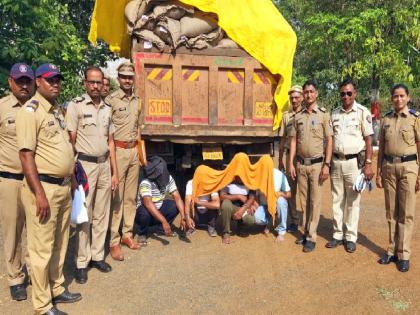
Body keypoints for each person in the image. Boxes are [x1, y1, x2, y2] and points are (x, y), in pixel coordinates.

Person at [16, 63, 81, 315]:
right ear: (37, 82)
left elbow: (64, 149)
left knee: (59, 244)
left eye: (58, 80)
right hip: (43, 189)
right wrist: (39, 194)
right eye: (50, 79)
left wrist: (72, 179)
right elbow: (25, 156)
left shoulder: (55, 112)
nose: (56, 84)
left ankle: (57, 288)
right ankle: (42, 305)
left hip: (62, 188)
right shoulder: (30, 112)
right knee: (41, 248)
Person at [66, 66, 118, 284]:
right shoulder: (76, 106)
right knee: (84, 215)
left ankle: (97, 256)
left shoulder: (107, 108)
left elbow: (111, 142)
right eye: (92, 82)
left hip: (105, 165)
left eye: (99, 82)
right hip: (85, 167)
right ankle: (81, 262)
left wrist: (115, 172)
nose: (96, 86)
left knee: (102, 213)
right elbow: (70, 141)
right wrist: (72, 173)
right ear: (85, 82)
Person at [326, 79, 374, 253]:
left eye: (348, 93)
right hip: (337, 162)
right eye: (342, 93)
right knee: (336, 200)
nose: (345, 96)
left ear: (355, 94)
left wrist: (368, 164)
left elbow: (369, 140)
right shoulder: (334, 114)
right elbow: (330, 140)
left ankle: (350, 237)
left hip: (354, 163)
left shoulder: (362, 112)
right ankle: (338, 234)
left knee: (353, 202)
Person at [376, 84, 420, 272]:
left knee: (406, 212)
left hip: (409, 167)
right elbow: (382, 147)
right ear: (392, 98)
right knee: (391, 211)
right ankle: (392, 250)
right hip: (388, 167)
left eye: (402, 96)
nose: (398, 99)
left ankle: (404, 253)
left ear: (408, 98)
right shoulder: (386, 119)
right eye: (395, 96)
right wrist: (378, 171)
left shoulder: (415, 119)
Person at [0, 63, 35, 301]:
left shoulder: (39, 106)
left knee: (36, 230)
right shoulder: (2, 107)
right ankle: (15, 278)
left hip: (36, 182)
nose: (24, 85)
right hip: (10, 179)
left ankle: (36, 273)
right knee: (12, 232)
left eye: (27, 81)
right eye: (19, 80)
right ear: (10, 82)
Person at [289, 79, 333, 252]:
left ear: (316, 94)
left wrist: (326, 164)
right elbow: (293, 140)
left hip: (316, 165)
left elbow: (330, 140)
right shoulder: (297, 117)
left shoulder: (323, 115)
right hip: (300, 164)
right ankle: (307, 231)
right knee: (304, 200)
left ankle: (311, 237)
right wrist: (291, 163)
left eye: (311, 92)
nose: (308, 95)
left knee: (314, 201)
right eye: (306, 92)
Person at [106, 62, 142, 261]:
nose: (127, 80)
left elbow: (137, 126)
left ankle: (128, 234)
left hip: (133, 151)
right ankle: (114, 240)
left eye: (130, 77)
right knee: (117, 199)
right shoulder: (111, 101)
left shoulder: (137, 100)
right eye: (123, 77)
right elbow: (106, 132)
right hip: (118, 151)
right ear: (118, 78)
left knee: (130, 197)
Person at [134, 156, 189, 242]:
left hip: (158, 208)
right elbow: (148, 204)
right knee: (144, 213)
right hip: (146, 211)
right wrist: (164, 221)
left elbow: (177, 197)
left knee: (174, 206)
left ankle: (161, 229)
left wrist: (183, 216)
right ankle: (142, 233)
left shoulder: (168, 178)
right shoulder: (145, 182)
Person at [278, 84, 303, 233]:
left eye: (296, 97)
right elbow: (282, 140)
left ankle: (307, 222)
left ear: (301, 97)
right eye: (291, 97)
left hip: (305, 157)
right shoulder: (286, 116)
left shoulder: (307, 114)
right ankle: (294, 220)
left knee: (306, 191)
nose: (294, 100)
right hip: (290, 158)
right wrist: (281, 159)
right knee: (291, 190)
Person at [253, 168, 291, 242]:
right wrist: (256, 207)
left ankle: (281, 232)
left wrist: (280, 194)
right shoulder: (258, 175)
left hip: (276, 205)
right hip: (264, 206)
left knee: (281, 202)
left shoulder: (279, 175)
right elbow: (256, 195)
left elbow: (289, 194)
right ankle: (270, 221)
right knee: (257, 218)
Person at [219, 178, 257, 244]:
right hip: (231, 208)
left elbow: (252, 198)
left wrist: (243, 209)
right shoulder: (228, 180)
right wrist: (238, 196)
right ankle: (226, 233)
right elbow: (222, 197)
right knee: (225, 204)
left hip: (243, 208)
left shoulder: (250, 181)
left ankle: (241, 227)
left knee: (251, 220)